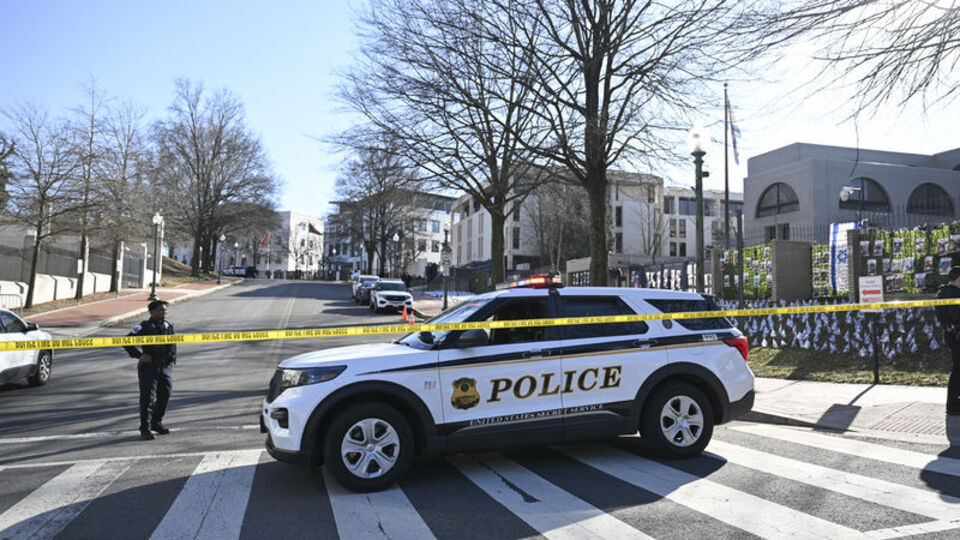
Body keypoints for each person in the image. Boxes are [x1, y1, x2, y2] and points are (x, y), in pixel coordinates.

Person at [124, 300, 177, 440]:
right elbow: (126, 341)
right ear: (152, 311)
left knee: (165, 395)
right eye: (161, 310)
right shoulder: (144, 326)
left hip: (165, 367)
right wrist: (140, 356)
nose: (164, 312)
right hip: (149, 368)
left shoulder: (168, 326)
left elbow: (173, 344)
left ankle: (156, 423)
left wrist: (173, 360)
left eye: (165, 310)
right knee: (148, 399)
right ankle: (145, 428)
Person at [935, 266, 960, 416]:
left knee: (957, 369)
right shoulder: (953, 294)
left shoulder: (943, 292)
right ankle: (953, 404)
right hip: (957, 336)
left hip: (952, 335)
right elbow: (956, 316)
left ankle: (954, 402)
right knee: (958, 370)